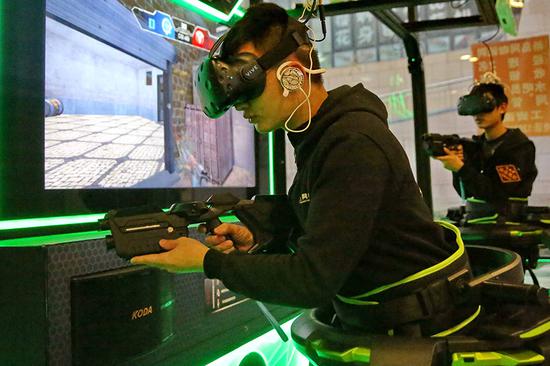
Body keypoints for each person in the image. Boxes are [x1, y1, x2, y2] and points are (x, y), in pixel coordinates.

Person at [132, 3, 472, 336]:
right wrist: (261, 234)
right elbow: (329, 216)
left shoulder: (351, 143)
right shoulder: (321, 137)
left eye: (248, 91)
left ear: (291, 74)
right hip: (384, 321)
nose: (241, 108)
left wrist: (209, 262)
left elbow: (314, 280)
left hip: (420, 333)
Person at [435, 77, 538, 215]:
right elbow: (467, 193)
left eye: (485, 108)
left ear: (502, 107)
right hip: (478, 220)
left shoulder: (518, 146)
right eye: (474, 109)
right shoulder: (477, 146)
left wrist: (461, 168)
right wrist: (458, 167)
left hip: (509, 225)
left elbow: (498, 193)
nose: (478, 115)